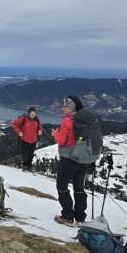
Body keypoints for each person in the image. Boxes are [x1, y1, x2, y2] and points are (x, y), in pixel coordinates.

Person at [51, 95, 87, 227]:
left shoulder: (67, 120)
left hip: (69, 158)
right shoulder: (83, 119)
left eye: (64, 106)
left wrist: (55, 133)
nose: (62, 108)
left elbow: (61, 141)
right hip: (83, 158)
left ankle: (67, 216)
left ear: (70, 107)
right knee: (78, 188)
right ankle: (80, 218)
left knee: (61, 186)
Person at [12, 107, 43, 172]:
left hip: (33, 140)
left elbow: (40, 126)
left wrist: (40, 130)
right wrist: (19, 132)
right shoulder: (24, 118)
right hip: (24, 140)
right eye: (31, 112)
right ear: (29, 113)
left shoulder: (37, 119)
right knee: (25, 154)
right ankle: (25, 167)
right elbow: (14, 124)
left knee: (31, 155)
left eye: (34, 112)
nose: (33, 114)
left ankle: (29, 167)